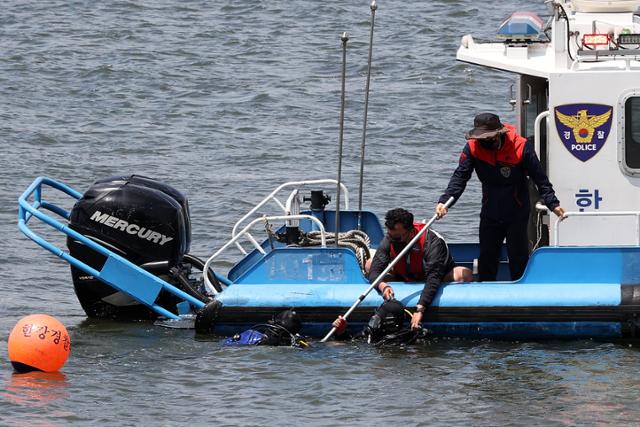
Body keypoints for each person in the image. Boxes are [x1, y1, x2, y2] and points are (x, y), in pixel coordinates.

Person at [436, 112, 566, 282]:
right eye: (480, 138)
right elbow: (460, 177)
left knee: (518, 255)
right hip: (490, 209)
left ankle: (520, 294)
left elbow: (540, 180)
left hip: (517, 209)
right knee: (488, 256)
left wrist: (553, 204)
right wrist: (445, 202)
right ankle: (485, 296)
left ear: (499, 134)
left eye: (487, 138)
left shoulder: (520, 146)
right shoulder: (473, 148)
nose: (483, 142)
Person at [333, 207, 472, 332]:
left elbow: (433, 278)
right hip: (404, 273)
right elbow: (375, 270)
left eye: (398, 237)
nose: (393, 240)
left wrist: (420, 309)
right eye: (391, 235)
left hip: (434, 274)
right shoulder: (389, 239)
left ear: (411, 232)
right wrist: (382, 286)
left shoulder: (433, 243)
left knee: (463, 274)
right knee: (369, 264)